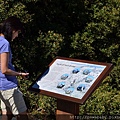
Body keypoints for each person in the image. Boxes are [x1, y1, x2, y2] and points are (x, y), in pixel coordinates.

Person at [0, 16, 29, 120]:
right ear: (12, 30)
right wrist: (20, 74)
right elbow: (4, 69)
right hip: (9, 86)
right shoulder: (4, 43)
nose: (16, 36)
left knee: (5, 114)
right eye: (17, 32)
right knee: (22, 116)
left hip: (1, 85)